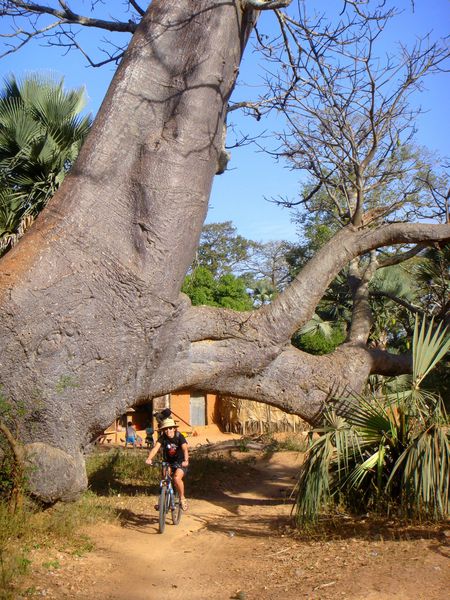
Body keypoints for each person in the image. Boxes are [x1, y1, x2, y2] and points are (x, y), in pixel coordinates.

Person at [145, 417, 189, 511]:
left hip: (180, 462)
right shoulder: (162, 438)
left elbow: (185, 449)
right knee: (164, 479)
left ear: (174, 428)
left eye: (170, 428)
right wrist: (149, 458)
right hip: (168, 462)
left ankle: (182, 498)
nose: (168, 430)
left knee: (177, 478)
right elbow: (155, 448)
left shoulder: (179, 436)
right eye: (165, 429)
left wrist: (186, 460)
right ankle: (161, 502)